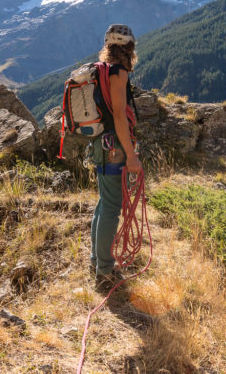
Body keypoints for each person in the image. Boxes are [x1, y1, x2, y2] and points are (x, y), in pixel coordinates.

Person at [90, 23, 143, 291]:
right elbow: (120, 116)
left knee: (104, 203)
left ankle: (96, 261)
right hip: (115, 148)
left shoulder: (99, 71)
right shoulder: (118, 73)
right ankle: (105, 271)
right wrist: (131, 156)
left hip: (100, 144)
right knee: (111, 207)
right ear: (129, 48)